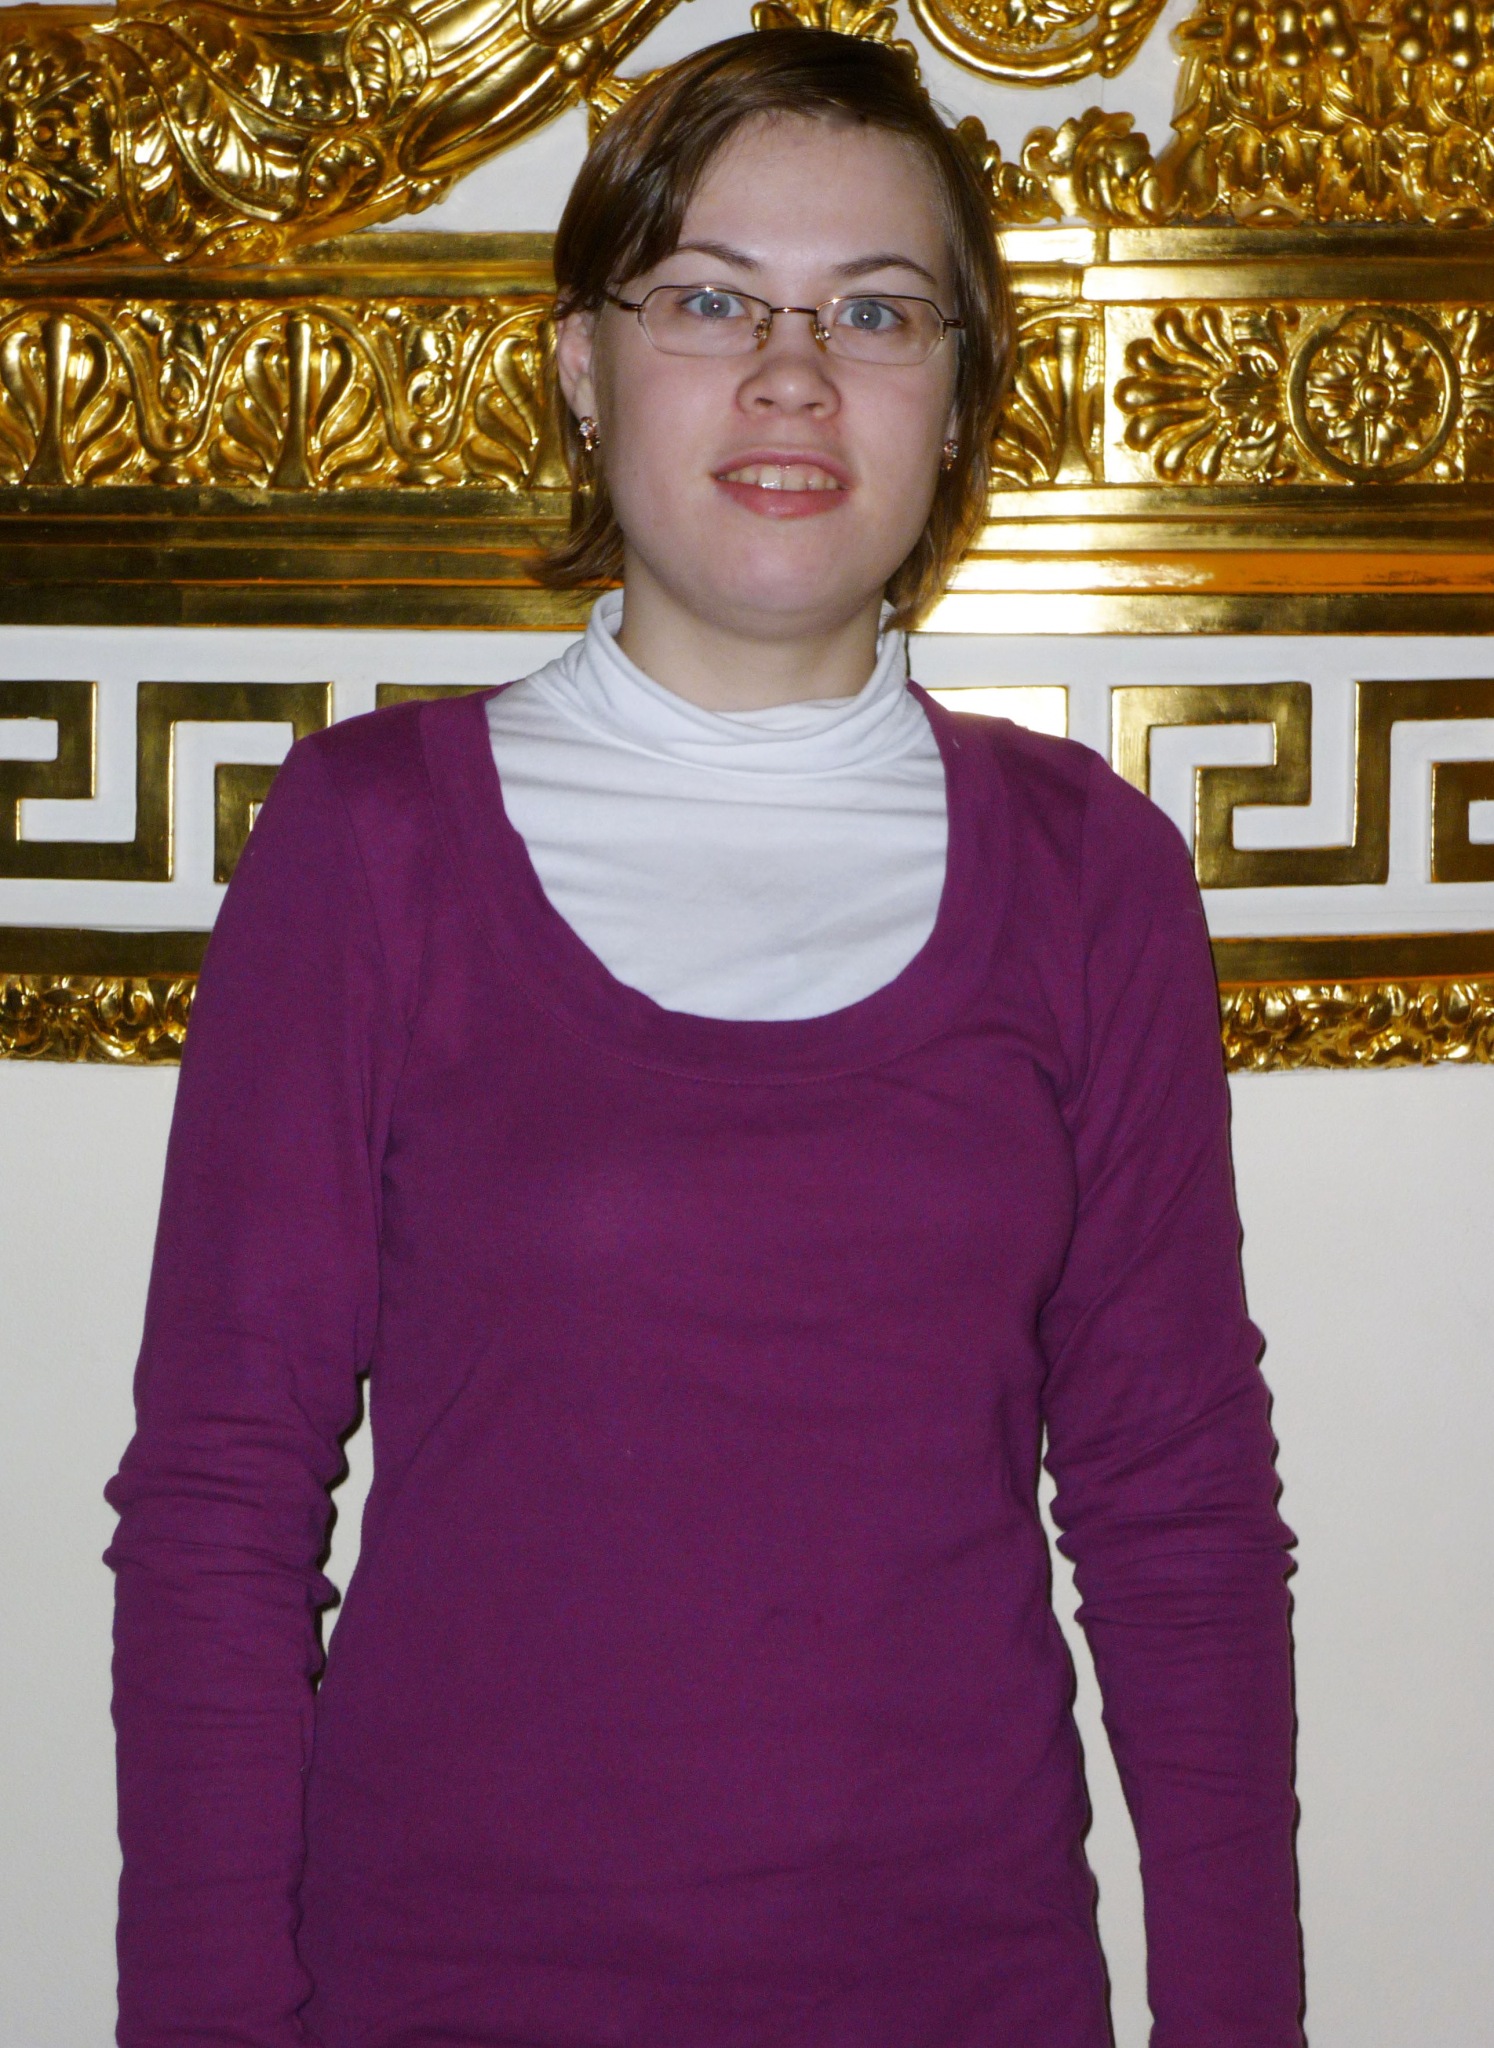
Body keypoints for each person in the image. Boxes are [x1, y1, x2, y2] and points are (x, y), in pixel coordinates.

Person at [105, 28, 1302, 2048]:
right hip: (446, 1993)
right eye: (711, 299)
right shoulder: (369, 840)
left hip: (964, 1993)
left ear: (957, 399)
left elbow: (1175, 1509)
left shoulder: (1091, 872)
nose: (793, 377)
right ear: (584, 364)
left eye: (876, 311)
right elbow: (223, 1499)